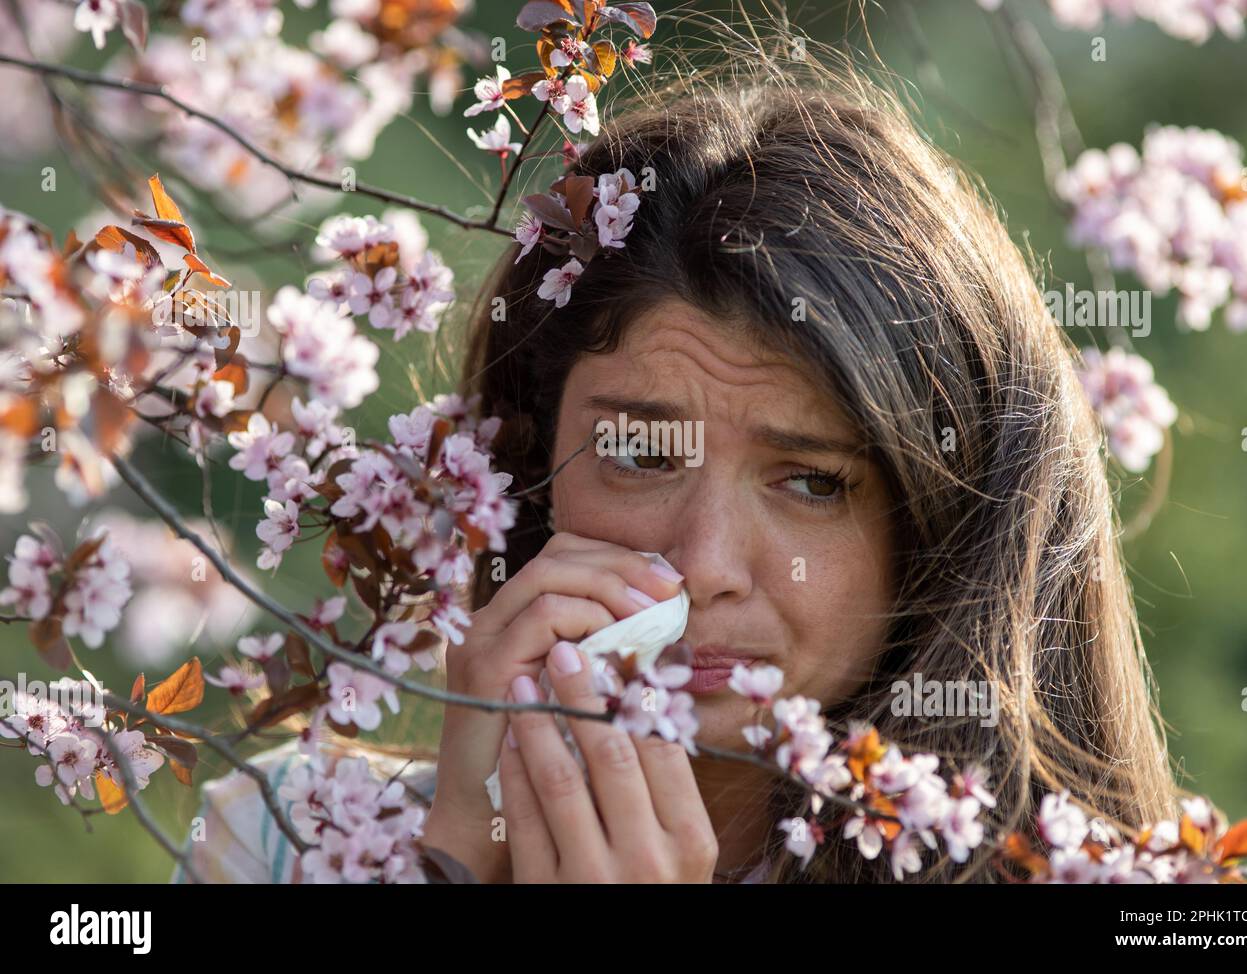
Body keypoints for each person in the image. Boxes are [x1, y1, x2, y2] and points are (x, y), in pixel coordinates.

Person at [175, 28, 1180, 885]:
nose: (704, 561)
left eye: (812, 482)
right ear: (528, 463)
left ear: (938, 529)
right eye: (640, 454)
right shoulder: (276, 836)